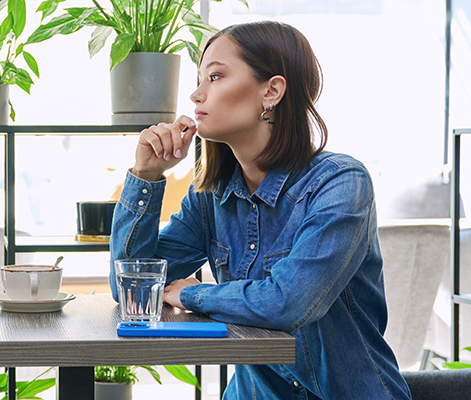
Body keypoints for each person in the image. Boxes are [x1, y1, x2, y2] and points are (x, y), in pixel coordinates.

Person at [109, 21, 412, 399]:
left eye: (215, 77)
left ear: (271, 91)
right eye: (200, 79)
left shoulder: (340, 183)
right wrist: (146, 176)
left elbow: (288, 302)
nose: (196, 94)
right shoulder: (211, 195)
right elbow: (131, 290)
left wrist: (192, 294)